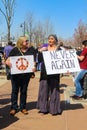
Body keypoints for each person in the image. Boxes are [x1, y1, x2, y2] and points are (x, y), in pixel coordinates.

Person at [5, 36, 36, 116]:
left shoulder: (31, 50)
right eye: (26, 41)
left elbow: (33, 62)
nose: (27, 42)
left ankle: (23, 107)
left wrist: (34, 68)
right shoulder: (15, 50)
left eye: (27, 41)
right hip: (15, 76)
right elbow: (7, 60)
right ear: (21, 42)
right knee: (14, 91)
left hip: (26, 76)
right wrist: (7, 62)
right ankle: (13, 108)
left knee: (23, 91)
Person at [37, 34, 62, 115]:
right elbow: (40, 60)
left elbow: (62, 62)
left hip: (54, 73)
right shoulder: (44, 49)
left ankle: (54, 109)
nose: (50, 40)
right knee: (43, 90)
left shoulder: (59, 50)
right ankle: (43, 108)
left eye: (52, 39)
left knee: (54, 91)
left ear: (55, 40)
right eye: (49, 39)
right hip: (45, 72)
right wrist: (40, 52)